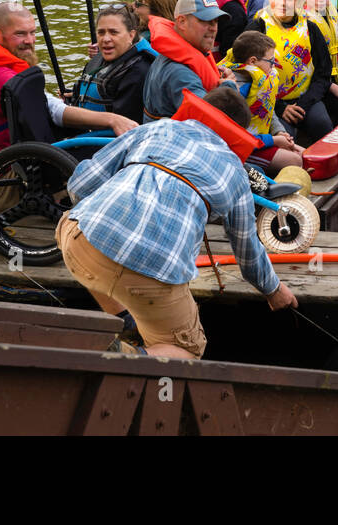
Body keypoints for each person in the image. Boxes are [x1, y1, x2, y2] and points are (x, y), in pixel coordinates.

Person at [58, 84, 298, 359]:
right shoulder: (235, 172)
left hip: (77, 238)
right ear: (238, 132)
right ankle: (113, 356)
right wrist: (273, 290)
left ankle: (126, 326)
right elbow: (247, 252)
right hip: (151, 271)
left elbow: (79, 186)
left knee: (79, 230)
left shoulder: (154, 129)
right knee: (188, 350)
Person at [0, 2, 137, 210]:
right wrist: (112, 119)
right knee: (106, 168)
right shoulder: (0, 79)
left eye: (32, 33)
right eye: (20, 34)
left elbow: (46, 104)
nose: (29, 41)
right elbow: (52, 111)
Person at [244, 0, 335, 144]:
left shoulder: (310, 28)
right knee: (287, 137)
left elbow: (323, 73)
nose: (283, 3)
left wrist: (304, 104)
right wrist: (281, 108)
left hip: (306, 98)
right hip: (271, 102)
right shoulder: (258, 27)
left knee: (322, 124)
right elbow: (245, 70)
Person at [218, 30, 304, 175]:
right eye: (271, 61)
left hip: (261, 141)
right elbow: (236, 137)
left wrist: (280, 132)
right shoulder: (238, 91)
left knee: (305, 154)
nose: (274, 66)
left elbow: (266, 110)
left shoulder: (261, 81)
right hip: (244, 150)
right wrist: (274, 140)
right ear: (252, 61)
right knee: (295, 161)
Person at [142, 0, 225, 121]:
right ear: (181, 22)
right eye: (205, 20)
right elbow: (211, 119)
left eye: (215, 21)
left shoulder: (169, 56)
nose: (213, 28)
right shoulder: (179, 73)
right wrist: (228, 88)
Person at [74, 3, 157, 126]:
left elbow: (126, 126)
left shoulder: (139, 71)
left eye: (113, 32)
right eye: (101, 33)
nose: (106, 39)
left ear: (131, 35)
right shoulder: (96, 60)